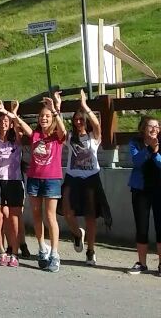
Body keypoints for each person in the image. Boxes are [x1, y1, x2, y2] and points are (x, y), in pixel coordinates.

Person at [14, 93, 66, 272]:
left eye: (47, 116)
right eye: (41, 116)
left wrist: (56, 110)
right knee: (36, 214)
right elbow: (24, 127)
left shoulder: (57, 137)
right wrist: (15, 115)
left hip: (52, 179)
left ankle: (55, 253)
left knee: (50, 216)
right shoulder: (36, 134)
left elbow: (63, 131)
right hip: (34, 178)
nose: (44, 118)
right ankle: (42, 248)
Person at [61, 90, 110, 267]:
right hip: (72, 178)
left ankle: (91, 250)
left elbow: (97, 125)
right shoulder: (70, 137)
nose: (79, 122)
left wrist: (85, 106)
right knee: (67, 212)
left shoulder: (93, 137)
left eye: (81, 119)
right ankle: (77, 234)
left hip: (91, 179)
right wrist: (56, 108)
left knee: (90, 217)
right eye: (76, 119)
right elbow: (59, 127)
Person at [0, 101, 26, 267]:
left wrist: (11, 112)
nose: (3, 123)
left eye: (7, 121)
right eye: (1, 121)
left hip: (14, 181)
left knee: (13, 219)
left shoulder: (17, 140)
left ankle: (14, 253)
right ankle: (2, 252)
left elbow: (19, 125)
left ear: (11, 124)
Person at [127, 116, 161, 275]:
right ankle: (141, 263)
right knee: (142, 226)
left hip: (159, 189)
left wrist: (155, 153)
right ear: (143, 128)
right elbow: (136, 161)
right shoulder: (135, 142)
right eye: (150, 126)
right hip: (140, 189)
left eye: (157, 126)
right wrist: (149, 149)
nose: (154, 129)